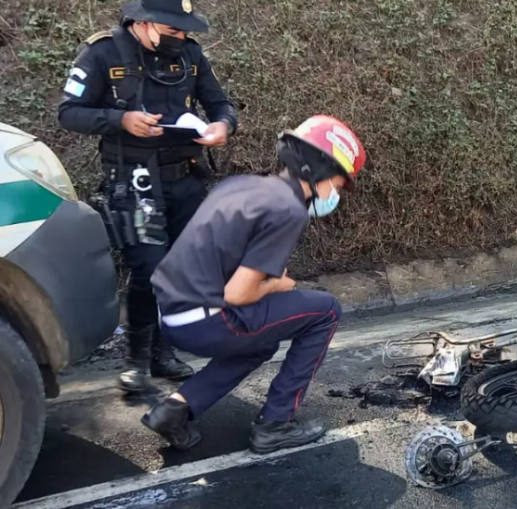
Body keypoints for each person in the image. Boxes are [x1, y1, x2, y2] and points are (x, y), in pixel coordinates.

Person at [140, 116, 366, 454]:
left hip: (170, 314)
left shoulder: (242, 185)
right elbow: (238, 293)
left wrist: (266, 281)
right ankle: (275, 424)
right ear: (321, 169)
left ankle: (174, 410)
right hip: (204, 320)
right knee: (327, 311)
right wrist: (277, 285)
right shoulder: (288, 209)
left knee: (262, 342)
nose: (336, 192)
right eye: (338, 182)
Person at [58, 0, 239, 392]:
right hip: (134, 182)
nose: (181, 37)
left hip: (186, 178)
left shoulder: (190, 54)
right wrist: (121, 120)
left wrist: (223, 125)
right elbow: (69, 112)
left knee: (179, 269)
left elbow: (220, 103)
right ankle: (137, 360)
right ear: (142, 22)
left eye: (184, 30)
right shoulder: (103, 53)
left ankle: (164, 353)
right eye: (173, 30)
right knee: (149, 270)